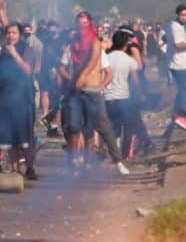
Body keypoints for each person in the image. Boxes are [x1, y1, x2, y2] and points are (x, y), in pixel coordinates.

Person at [59, 12, 129, 176]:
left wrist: (100, 86)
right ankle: (76, 164)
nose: (81, 27)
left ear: (89, 25)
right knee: (74, 127)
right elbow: (61, 67)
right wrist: (71, 79)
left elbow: (100, 67)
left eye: (85, 23)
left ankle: (118, 161)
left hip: (93, 92)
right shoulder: (72, 46)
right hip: (76, 93)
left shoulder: (95, 43)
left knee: (103, 127)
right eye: (79, 24)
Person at [0, 23, 38, 178]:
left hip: (23, 100)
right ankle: (15, 170)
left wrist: (15, 54)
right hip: (5, 99)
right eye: (8, 33)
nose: (11, 36)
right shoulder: (0, 51)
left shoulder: (27, 49)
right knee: (8, 137)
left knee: (25, 138)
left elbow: (28, 70)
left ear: (20, 34)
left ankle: (30, 167)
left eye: (14, 33)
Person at [104, 31, 153, 160]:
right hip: (123, 98)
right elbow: (135, 80)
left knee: (114, 127)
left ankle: (112, 154)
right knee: (128, 127)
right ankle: (124, 155)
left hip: (107, 98)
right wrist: (141, 93)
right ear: (126, 44)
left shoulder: (106, 57)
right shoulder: (129, 60)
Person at [167, 4, 186, 132]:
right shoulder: (176, 27)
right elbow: (178, 45)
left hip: (181, 63)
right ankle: (180, 115)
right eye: (182, 15)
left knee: (185, 88)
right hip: (179, 64)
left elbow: (167, 39)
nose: (184, 17)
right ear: (177, 15)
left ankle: (176, 113)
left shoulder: (174, 26)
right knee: (184, 89)